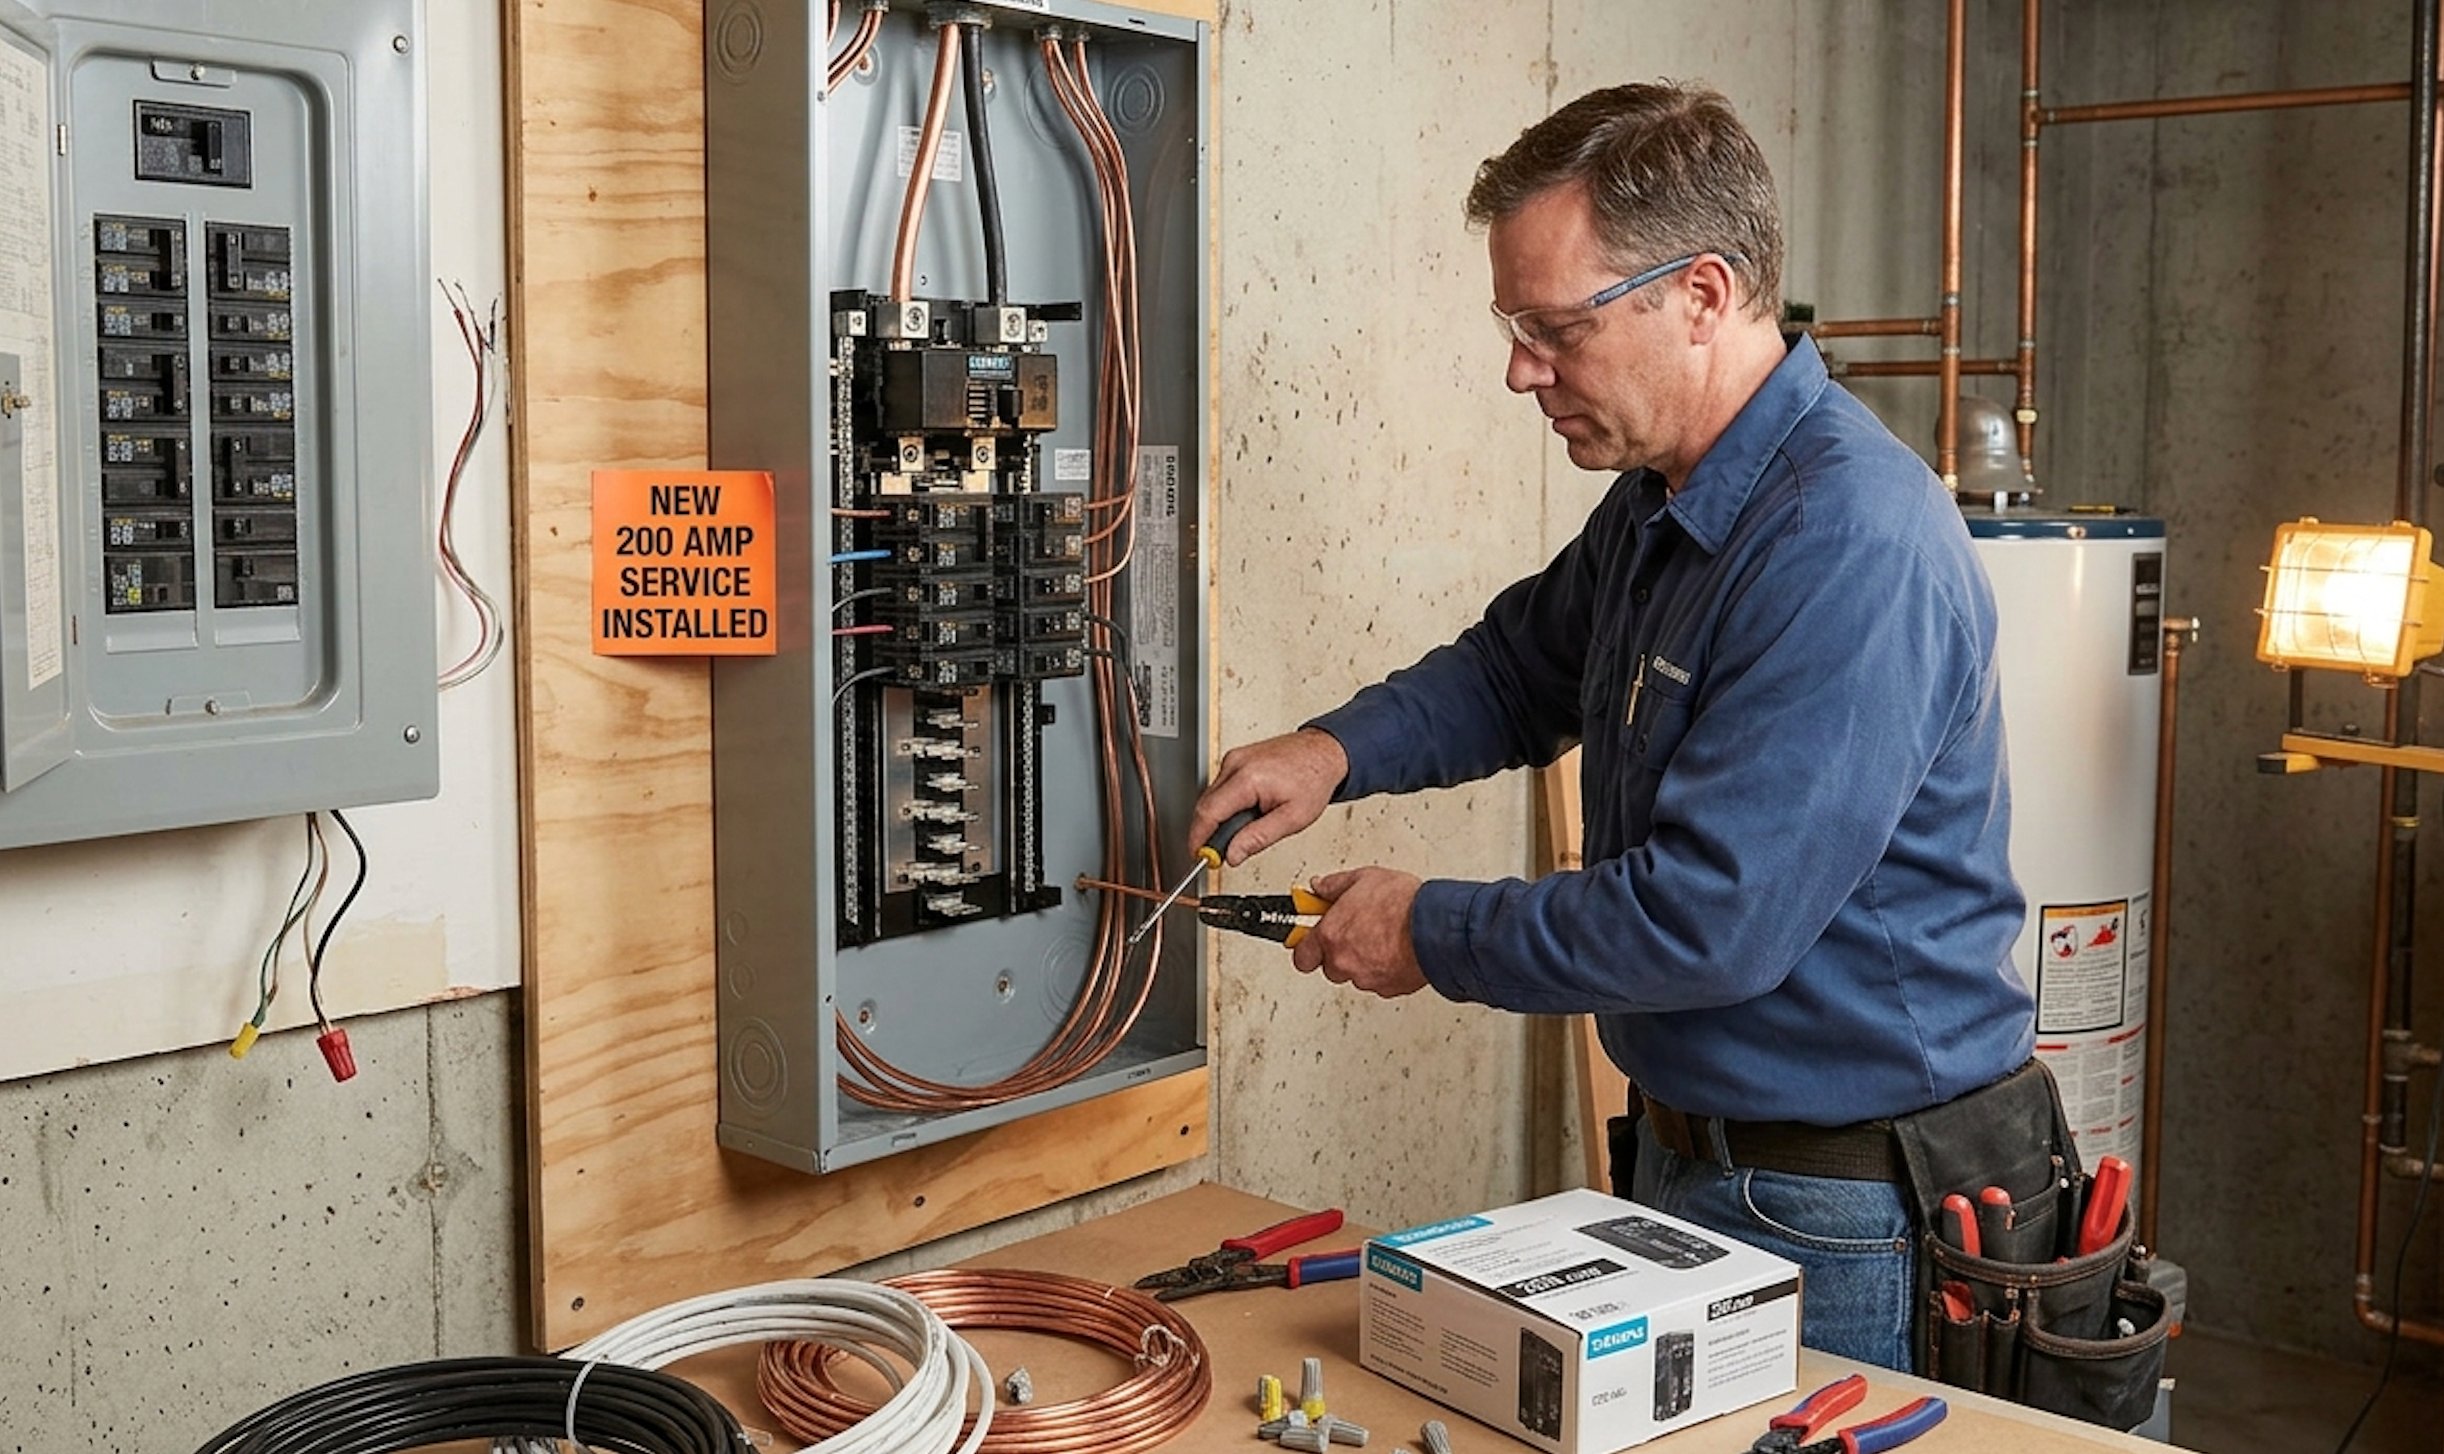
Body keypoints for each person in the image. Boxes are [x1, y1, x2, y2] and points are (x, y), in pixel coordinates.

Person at [1186, 82, 2039, 1371]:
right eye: (1512, 326)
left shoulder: (1844, 543)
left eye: (1554, 330)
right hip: (1704, 1164)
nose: (1521, 369)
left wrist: (1430, 926)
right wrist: (1336, 751)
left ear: (1701, 295)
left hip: (1846, 1213)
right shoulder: (1670, 496)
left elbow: (1709, 919)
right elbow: (1518, 672)